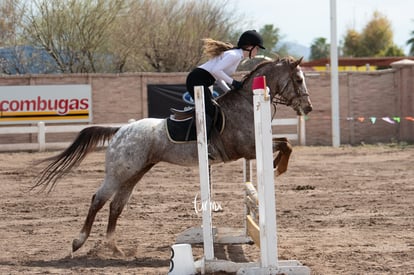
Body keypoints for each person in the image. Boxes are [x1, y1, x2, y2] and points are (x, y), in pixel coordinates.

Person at [185, 30, 265, 128]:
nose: (257, 51)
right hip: (196, 80)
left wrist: (229, 91)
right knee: (210, 111)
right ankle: (199, 138)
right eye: (257, 48)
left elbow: (218, 78)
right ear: (249, 46)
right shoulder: (234, 55)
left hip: (199, 81)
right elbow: (216, 70)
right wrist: (234, 82)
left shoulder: (237, 56)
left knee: (214, 110)